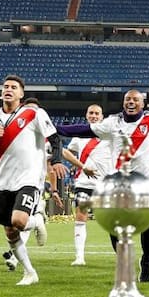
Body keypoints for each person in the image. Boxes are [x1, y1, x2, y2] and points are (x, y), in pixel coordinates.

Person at [56, 89, 149, 282]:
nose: (131, 102)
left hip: (146, 182)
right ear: (123, 102)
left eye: (136, 99)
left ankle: (147, 260)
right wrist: (58, 129)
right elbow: (84, 130)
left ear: (142, 104)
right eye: (128, 99)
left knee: (146, 224)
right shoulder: (112, 123)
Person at [0, 75, 67, 285]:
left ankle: (37, 221)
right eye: (6, 86)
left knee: (19, 221)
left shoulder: (33, 113)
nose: (8, 89)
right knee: (10, 230)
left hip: (29, 178)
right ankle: (30, 272)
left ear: (21, 94)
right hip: (3, 180)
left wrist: (58, 160)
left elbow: (55, 138)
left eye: (13, 87)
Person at [63, 104, 111, 266]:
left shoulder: (109, 135)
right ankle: (79, 257)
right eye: (91, 113)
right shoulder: (79, 137)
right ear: (86, 115)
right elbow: (65, 152)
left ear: (102, 117)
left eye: (97, 113)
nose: (94, 116)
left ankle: (122, 254)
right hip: (84, 183)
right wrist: (82, 167)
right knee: (80, 216)